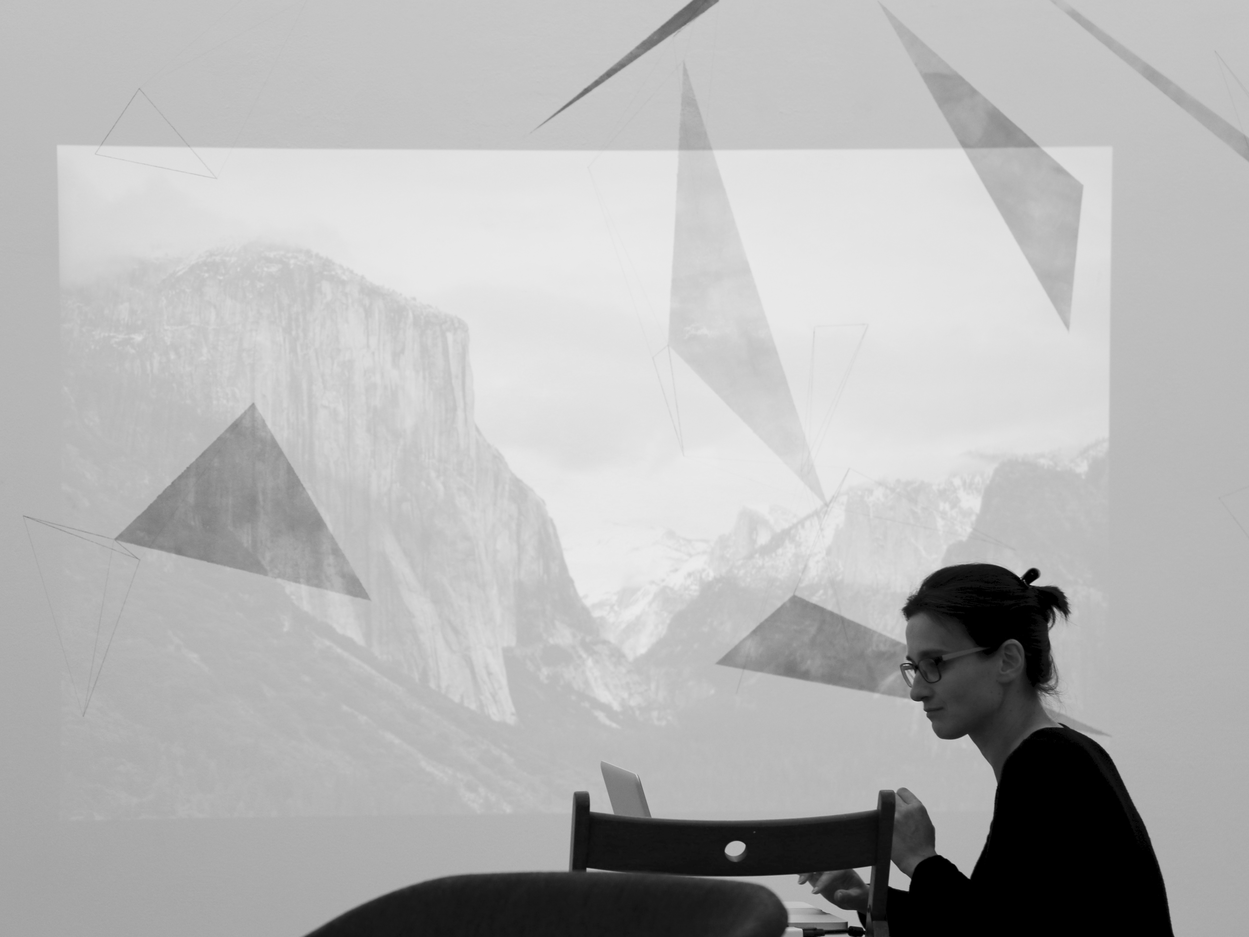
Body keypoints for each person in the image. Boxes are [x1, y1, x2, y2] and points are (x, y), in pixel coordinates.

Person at [798, 563, 1172, 936]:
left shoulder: (1047, 763)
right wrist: (871, 899)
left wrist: (920, 859)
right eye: (914, 667)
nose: (917, 691)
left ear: (1008, 660)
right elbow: (1001, 917)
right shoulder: (1061, 755)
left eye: (935, 663)